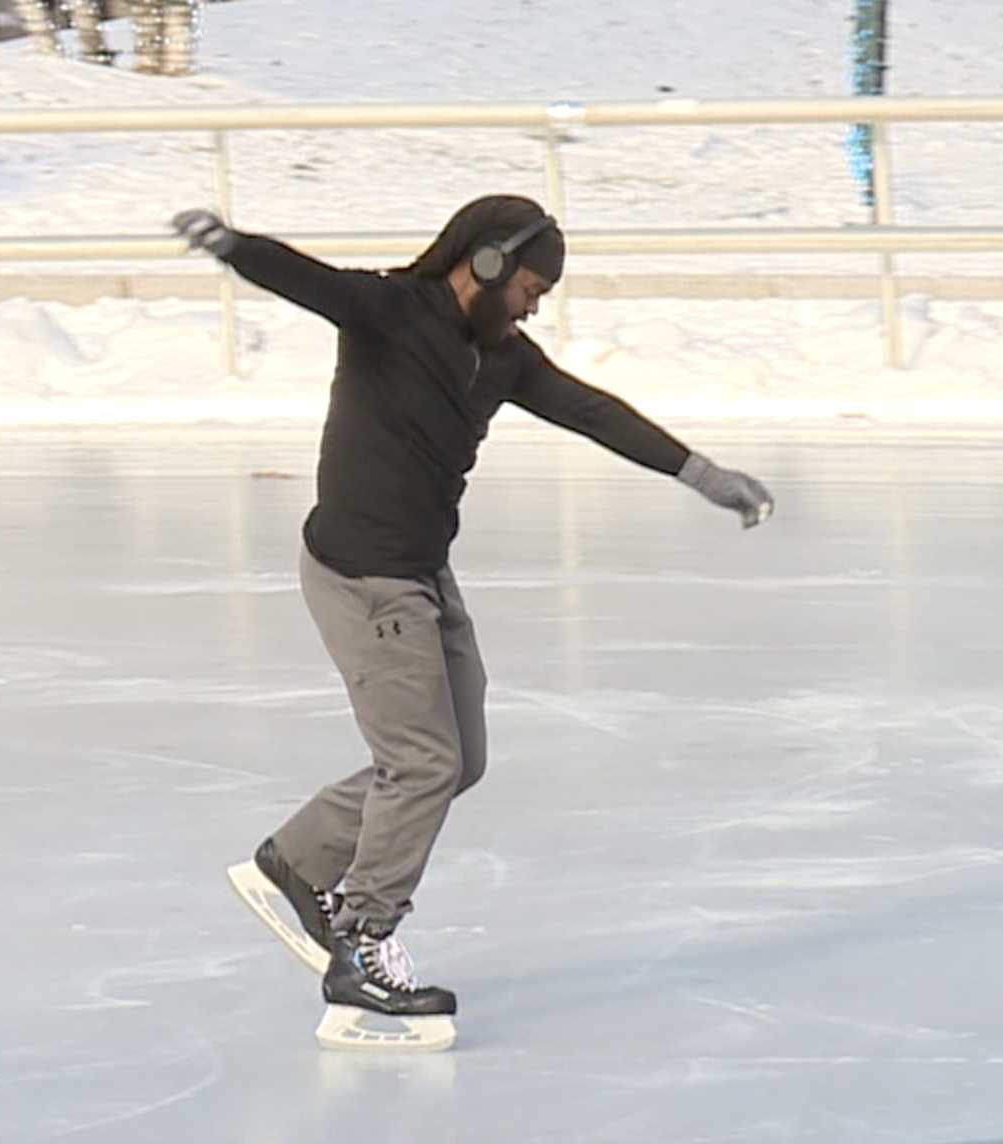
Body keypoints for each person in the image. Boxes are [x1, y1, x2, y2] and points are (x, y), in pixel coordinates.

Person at [179, 196, 773, 1045]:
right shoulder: (390, 315)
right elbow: (305, 281)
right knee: (421, 765)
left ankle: (300, 857)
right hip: (364, 578)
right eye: (531, 286)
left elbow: (593, 411)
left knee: (458, 759)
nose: (536, 304)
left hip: (422, 575)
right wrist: (234, 246)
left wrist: (701, 474)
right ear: (488, 263)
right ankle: (360, 943)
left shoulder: (504, 359)